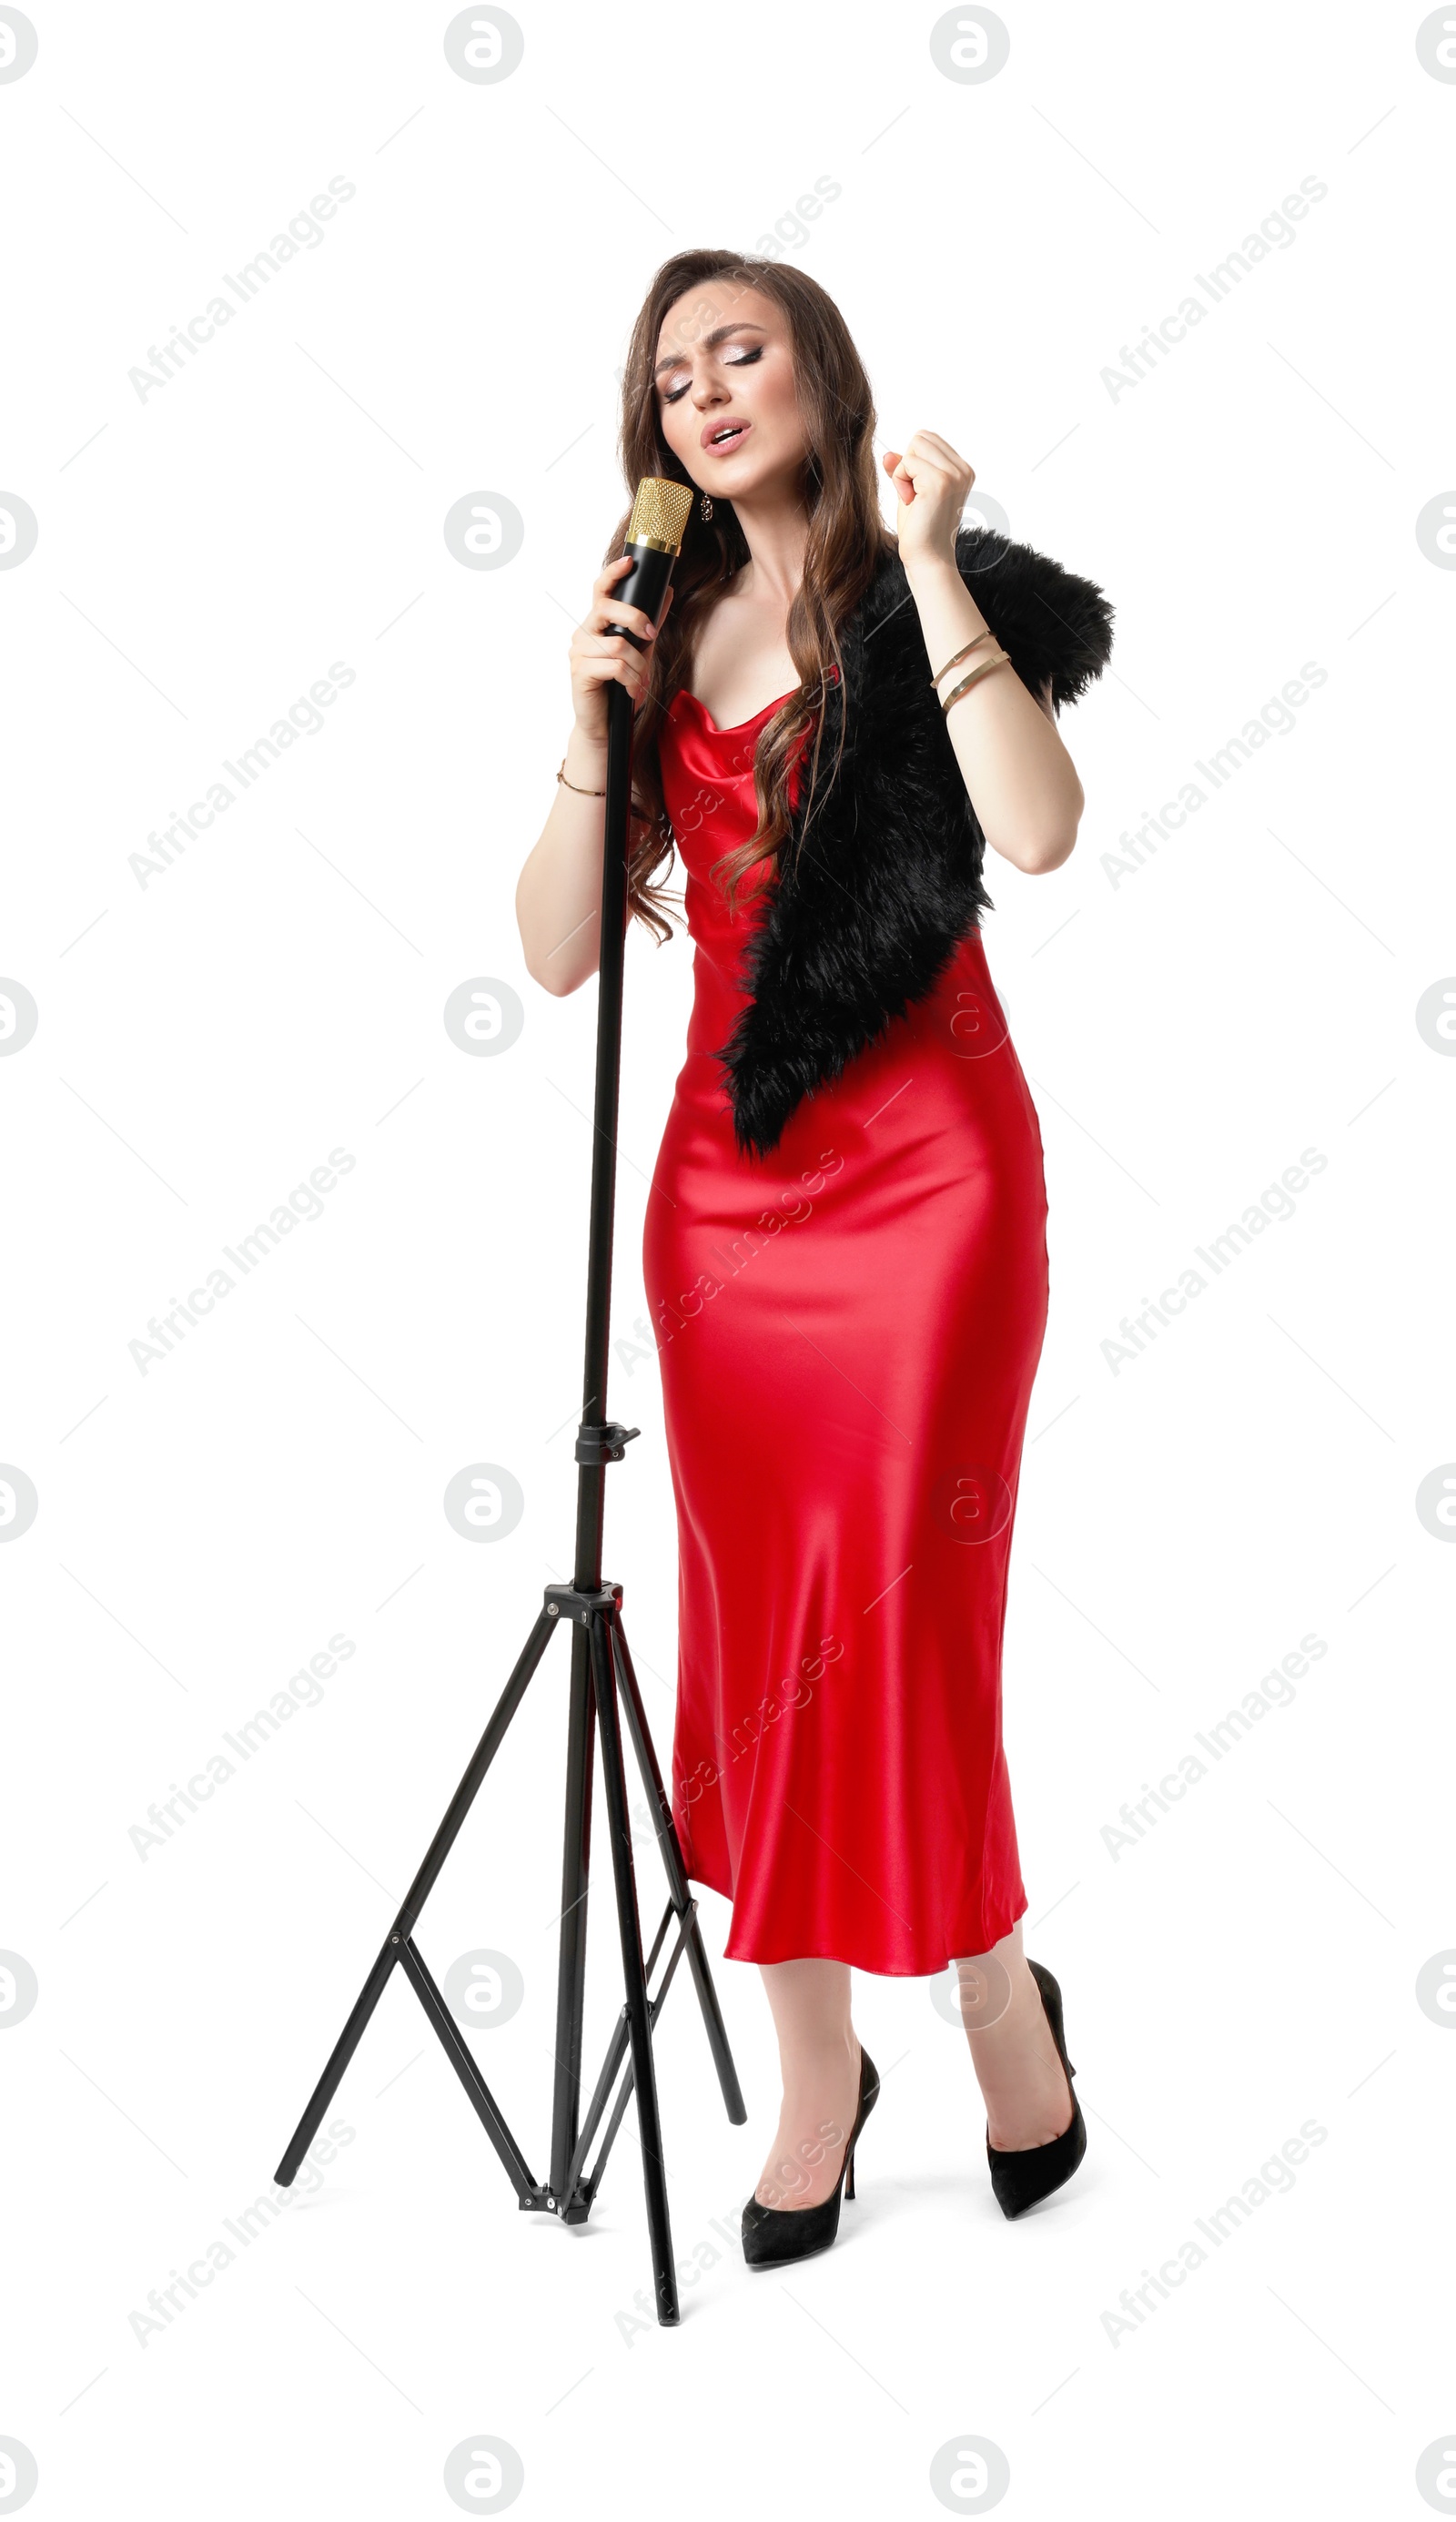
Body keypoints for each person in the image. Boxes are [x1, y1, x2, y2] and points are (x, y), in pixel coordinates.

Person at [516, 249, 1113, 2266]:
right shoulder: (662, 623)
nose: (703, 390)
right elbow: (554, 946)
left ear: (819, 369)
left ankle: (989, 1999)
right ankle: (814, 2079)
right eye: (670, 374)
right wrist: (591, 723)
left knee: (911, 1623)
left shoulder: (916, 581)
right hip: (722, 1204)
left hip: (929, 1181)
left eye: (738, 349)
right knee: (760, 1637)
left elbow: (1034, 826)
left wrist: (938, 568)